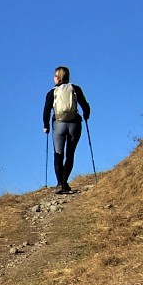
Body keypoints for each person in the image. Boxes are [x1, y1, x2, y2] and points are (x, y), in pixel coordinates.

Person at [43, 66, 91, 194]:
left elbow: (46, 111)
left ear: (57, 78)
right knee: (70, 154)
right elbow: (85, 105)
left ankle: (59, 184)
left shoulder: (51, 92)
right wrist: (86, 115)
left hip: (59, 125)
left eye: (54, 76)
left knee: (58, 154)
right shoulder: (75, 89)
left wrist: (46, 126)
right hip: (74, 125)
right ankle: (65, 182)